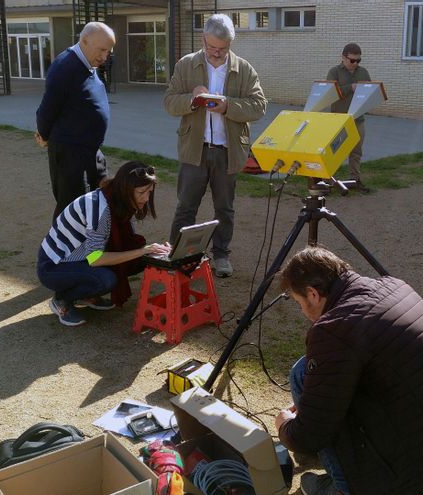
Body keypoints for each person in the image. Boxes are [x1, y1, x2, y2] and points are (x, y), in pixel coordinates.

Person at [275, 247, 423, 495]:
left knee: (302, 376)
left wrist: (286, 427)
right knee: (306, 371)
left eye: (300, 303)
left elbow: (311, 434)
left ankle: (344, 488)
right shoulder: (394, 286)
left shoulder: (332, 329)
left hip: (420, 450)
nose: (303, 312)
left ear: (313, 294)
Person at [163, 13, 267, 278]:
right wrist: (191, 98)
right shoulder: (186, 65)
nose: (217, 53)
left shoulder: (244, 68)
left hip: (227, 151)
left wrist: (228, 105)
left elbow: (259, 106)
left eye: (223, 49)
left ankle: (221, 255)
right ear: (203, 40)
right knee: (186, 206)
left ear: (230, 44)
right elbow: (169, 102)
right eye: (212, 48)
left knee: (224, 208)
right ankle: (178, 255)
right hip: (193, 150)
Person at [37, 161, 170, 326]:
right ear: (125, 189)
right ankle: (62, 299)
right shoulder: (101, 209)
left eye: (150, 192)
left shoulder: (116, 199)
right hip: (53, 266)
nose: (146, 198)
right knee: (106, 280)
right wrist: (143, 251)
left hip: (80, 257)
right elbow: (95, 259)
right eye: (142, 192)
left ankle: (85, 293)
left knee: (139, 259)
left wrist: (151, 251)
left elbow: (123, 244)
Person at [36, 22, 116, 220]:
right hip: (70, 151)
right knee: (71, 205)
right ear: (85, 41)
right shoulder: (65, 67)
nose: (105, 57)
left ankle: (91, 245)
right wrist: (44, 135)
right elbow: (47, 109)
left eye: (109, 52)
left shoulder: (86, 63)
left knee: (96, 198)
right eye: (102, 50)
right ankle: (60, 248)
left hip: (88, 148)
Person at [326, 43, 372, 193]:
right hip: (338, 120)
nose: (355, 64)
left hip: (358, 119)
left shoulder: (363, 72)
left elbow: (369, 91)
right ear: (343, 58)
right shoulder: (334, 72)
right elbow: (330, 94)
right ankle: (326, 182)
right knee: (334, 153)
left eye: (358, 61)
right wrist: (350, 88)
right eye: (352, 60)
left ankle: (355, 180)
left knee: (356, 152)